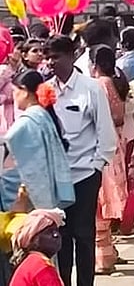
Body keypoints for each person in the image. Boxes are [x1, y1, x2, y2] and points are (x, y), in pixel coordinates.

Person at [44, 35, 116, 286]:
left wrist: (97, 165)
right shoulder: (46, 90)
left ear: (72, 56)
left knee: (84, 234)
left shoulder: (91, 88)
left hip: (86, 173)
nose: (52, 62)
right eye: (48, 57)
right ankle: (62, 281)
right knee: (59, 235)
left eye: (56, 56)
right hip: (57, 176)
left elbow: (105, 131)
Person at [2, 70, 74, 210]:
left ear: (24, 91)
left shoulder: (26, 123)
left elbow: (7, 148)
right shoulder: (43, 114)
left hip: (28, 195)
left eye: (14, 91)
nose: (13, 96)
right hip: (46, 189)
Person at [88, 46, 128, 275]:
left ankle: (102, 258)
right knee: (104, 202)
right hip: (114, 145)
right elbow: (119, 116)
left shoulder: (99, 85)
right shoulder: (114, 81)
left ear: (94, 63)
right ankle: (108, 252)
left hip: (102, 148)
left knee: (99, 203)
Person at [9, 209, 68, 286]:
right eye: (49, 231)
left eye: (56, 230)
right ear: (33, 238)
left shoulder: (31, 261)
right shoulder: (42, 268)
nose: (56, 235)